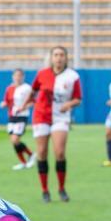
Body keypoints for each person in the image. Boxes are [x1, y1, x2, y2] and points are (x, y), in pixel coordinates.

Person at [21, 46, 81, 203]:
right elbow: (33, 91)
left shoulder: (73, 76)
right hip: (41, 116)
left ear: (66, 58)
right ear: (51, 58)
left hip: (61, 117)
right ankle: (45, 190)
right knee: (41, 152)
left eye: (62, 55)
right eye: (56, 55)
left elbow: (78, 99)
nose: (59, 58)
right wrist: (26, 104)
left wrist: (68, 105)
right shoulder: (42, 74)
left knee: (59, 152)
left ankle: (61, 188)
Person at [0, 68, 35, 170]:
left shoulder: (27, 88)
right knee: (13, 141)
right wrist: (3, 104)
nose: (18, 77)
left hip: (22, 116)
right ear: (13, 77)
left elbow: (33, 101)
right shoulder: (9, 88)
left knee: (15, 139)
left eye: (20, 75)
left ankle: (31, 154)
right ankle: (23, 162)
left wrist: (25, 107)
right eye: (16, 75)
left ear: (23, 77)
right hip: (12, 116)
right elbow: (6, 101)